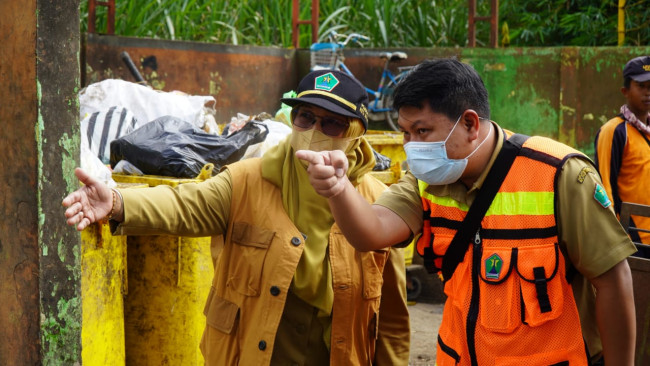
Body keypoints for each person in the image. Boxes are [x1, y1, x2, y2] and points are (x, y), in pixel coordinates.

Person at [297, 58, 637, 365]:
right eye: (405, 132)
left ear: (471, 125)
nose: (411, 146)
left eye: (422, 131)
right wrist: (338, 188)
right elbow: (370, 232)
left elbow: (612, 280)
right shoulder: (426, 180)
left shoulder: (559, 175)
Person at [63, 69, 410, 366]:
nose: (314, 130)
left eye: (332, 123)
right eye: (305, 117)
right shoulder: (247, 180)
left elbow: (392, 318)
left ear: (354, 135)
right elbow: (184, 204)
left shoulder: (377, 206)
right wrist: (118, 202)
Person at [595, 55, 650, 247]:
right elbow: (604, 185)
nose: (647, 93)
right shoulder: (614, 131)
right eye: (641, 86)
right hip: (632, 237)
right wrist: (616, 236)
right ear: (625, 90)